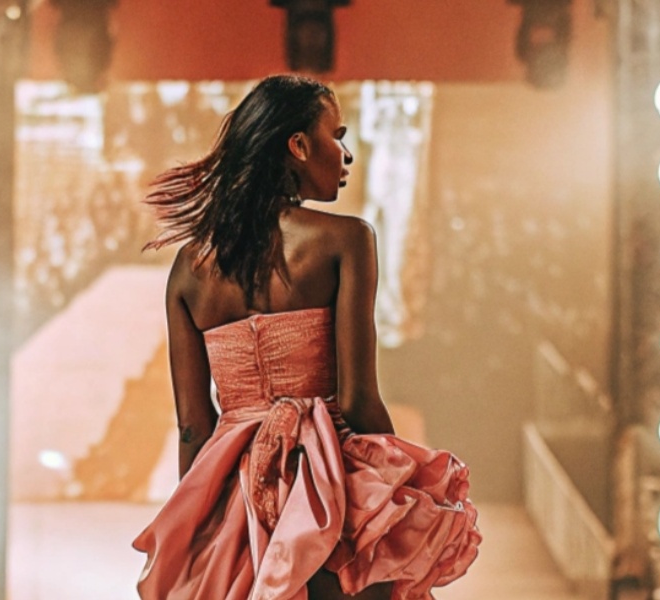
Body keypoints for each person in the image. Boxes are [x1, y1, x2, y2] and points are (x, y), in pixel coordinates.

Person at [132, 75, 481, 600]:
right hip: (330, 491)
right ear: (298, 145)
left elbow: (192, 426)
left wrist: (200, 527)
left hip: (236, 505)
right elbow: (360, 398)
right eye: (336, 135)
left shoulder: (189, 268)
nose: (346, 155)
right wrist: (401, 488)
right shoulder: (346, 241)